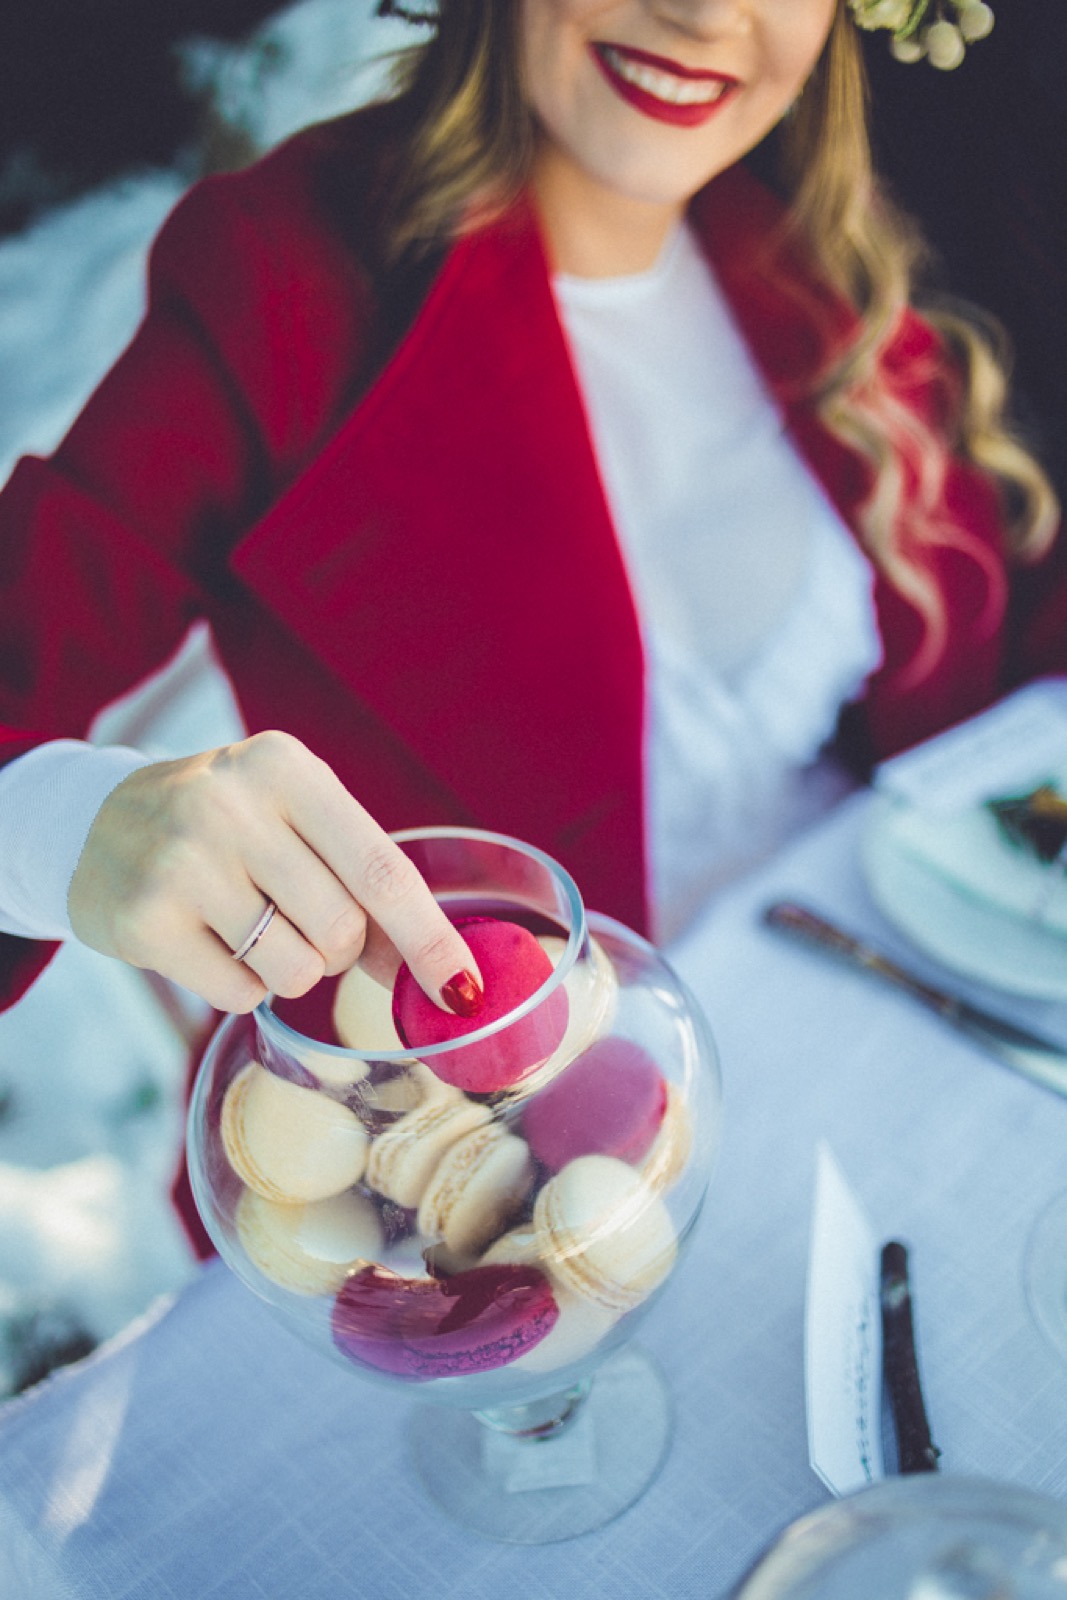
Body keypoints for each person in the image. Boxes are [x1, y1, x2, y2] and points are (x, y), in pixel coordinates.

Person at [0, 1, 1063, 1146]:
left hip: (901, 1040)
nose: (702, 14)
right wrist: (69, 830)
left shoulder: (815, 250)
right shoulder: (287, 275)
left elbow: (1011, 652)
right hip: (481, 1169)